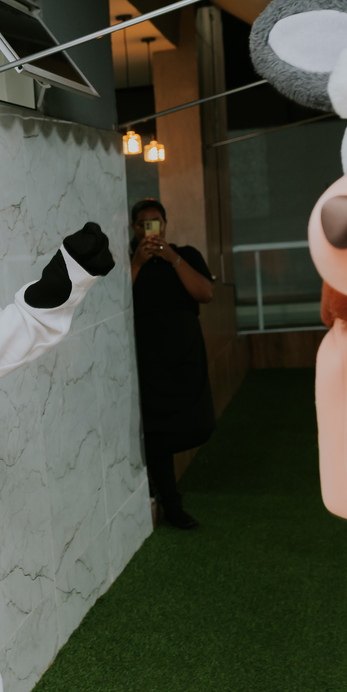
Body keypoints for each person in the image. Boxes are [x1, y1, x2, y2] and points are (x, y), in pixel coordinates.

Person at [129, 199, 216, 530]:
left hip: (185, 356)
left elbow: (205, 293)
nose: (149, 229)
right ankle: (170, 502)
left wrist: (172, 257)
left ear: (165, 224)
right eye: (142, 224)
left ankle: (159, 491)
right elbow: (117, 305)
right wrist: (136, 263)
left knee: (200, 423)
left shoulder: (187, 253)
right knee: (156, 435)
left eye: (155, 222)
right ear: (134, 229)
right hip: (148, 359)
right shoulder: (129, 262)